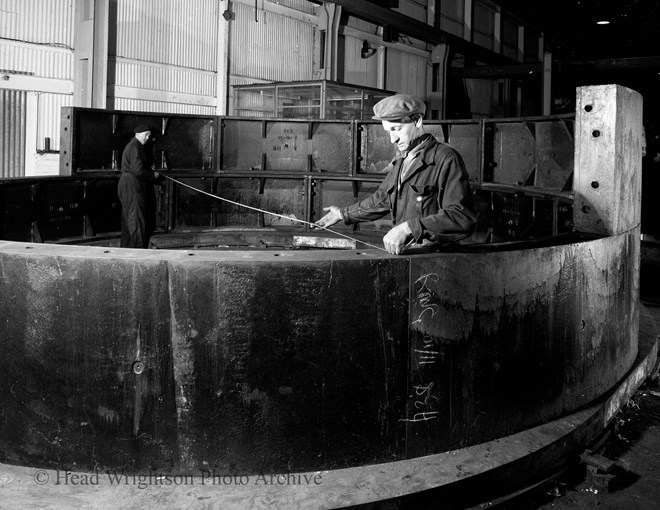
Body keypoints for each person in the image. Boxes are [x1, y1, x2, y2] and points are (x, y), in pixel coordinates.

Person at [314, 94, 477, 255]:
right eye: (388, 131)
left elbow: (462, 217)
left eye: (396, 129)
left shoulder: (445, 159)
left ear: (417, 120)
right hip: (407, 255)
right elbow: (381, 199)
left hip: (435, 258)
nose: (392, 139)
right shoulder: (402, 161)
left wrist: (408, 228)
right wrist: (343, 214)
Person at [117, 124, 161, 248]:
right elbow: (138, 170)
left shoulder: (132, 146)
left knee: (128, 218)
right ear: (138, 134)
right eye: (146, 135)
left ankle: (126, 248)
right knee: (136, 219)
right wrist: (154, 175)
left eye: (149, 136)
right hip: (133, 183)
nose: (147, 138)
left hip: (126, 183)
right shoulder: (135, 146)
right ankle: (137, 250)